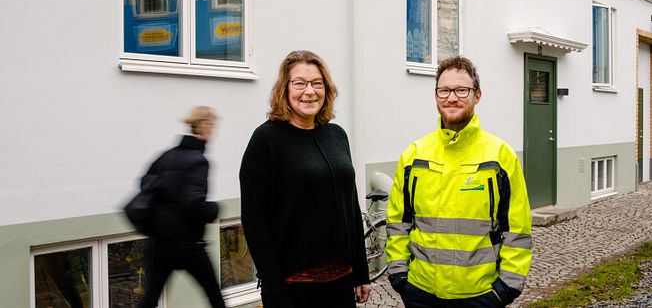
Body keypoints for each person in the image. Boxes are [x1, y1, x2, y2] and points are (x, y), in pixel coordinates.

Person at [385, 56, 532, 307]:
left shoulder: (500, 156)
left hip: (480, 295)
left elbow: (517, 229)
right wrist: (400, 276)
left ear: (477, 95)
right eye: (444, 90)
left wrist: (506, 289)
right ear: (435, 96)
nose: (451, 97)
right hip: (421, 293)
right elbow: (399, 222)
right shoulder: (414, 155)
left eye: (461, 90)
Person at [240, 50, 371, 308]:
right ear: (285, 89)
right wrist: (274, 288)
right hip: (294, 287)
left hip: (341, 283)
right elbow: (254, 220)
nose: (309, 91)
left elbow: (351, 208)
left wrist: (361, 271)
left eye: (317, 83)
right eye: (299, 83)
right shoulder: (266, 140)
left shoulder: (336, 135)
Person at [139, 106, 226, 308]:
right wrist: (213, 209)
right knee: (214, 295)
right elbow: (193, 204)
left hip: (160, 242)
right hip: (188, 245)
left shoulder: (166, 156)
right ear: (204, 126)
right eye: (212, 125)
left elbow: (145, 184)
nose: (213, 131)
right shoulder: (198, 161)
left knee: (150, 298)